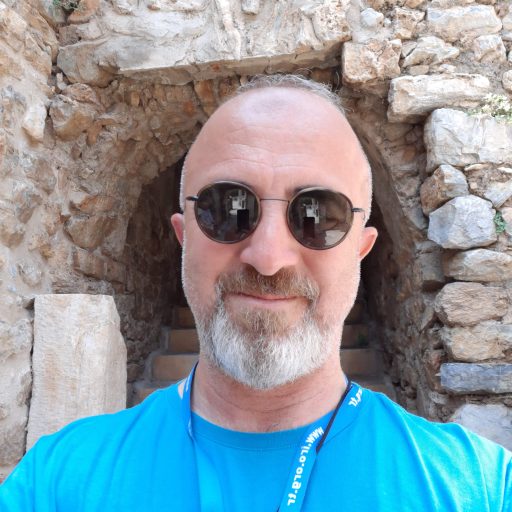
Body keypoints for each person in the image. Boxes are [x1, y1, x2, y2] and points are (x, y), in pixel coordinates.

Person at [0, 74, 510, 511]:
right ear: (184, 236)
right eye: (228, 208)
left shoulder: (480, 488)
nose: (268, 257)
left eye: (317, 215)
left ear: (361, 247)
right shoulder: (57, 483)